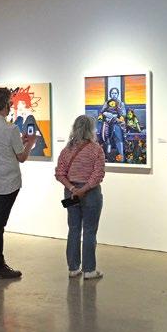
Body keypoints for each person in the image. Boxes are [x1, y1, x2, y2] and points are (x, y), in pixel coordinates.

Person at [0, 87, 37, 279]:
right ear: (6, 105)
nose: (12, 104)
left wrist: (19, 141)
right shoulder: (11, 129)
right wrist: (29, 143)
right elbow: (21, 157)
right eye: (10, 102)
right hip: (8, 183)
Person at [55, 115, 105, 279]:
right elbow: (98, 175)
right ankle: (89, 270)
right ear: (91, 129)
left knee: (73, 229)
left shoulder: (66, 150)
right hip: (90, 193)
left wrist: (72, 189)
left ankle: (73, 268)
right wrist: (83, 189)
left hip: (70, 193)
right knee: (90, 231)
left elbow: (59, 174)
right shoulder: (96, 149)